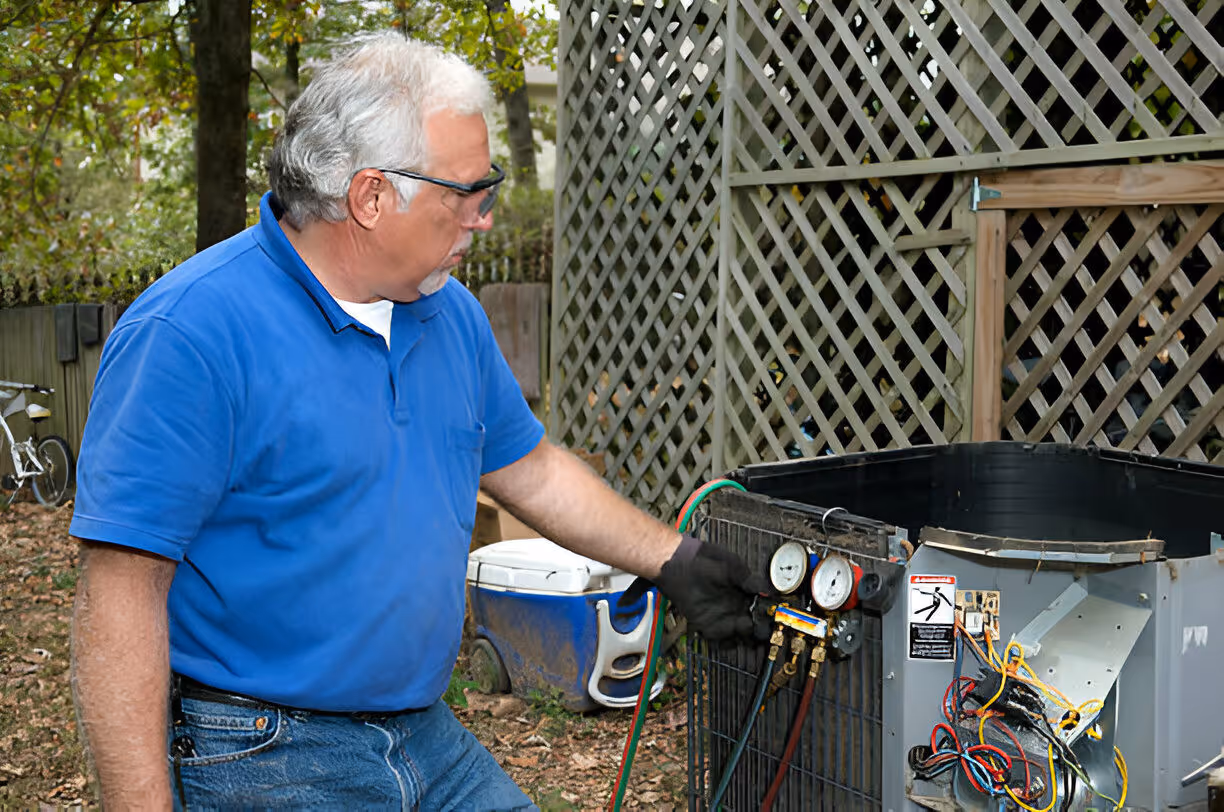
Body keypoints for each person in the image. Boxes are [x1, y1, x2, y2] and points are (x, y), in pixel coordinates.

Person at [69, 34, 766, 810]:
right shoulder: (192, 333)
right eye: (467, 192)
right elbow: (121, 592)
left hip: (423, 734)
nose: (485, 218)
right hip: (261, 749)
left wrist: (672, 559)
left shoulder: (447, 314)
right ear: (371, 197)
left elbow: (527, 468)